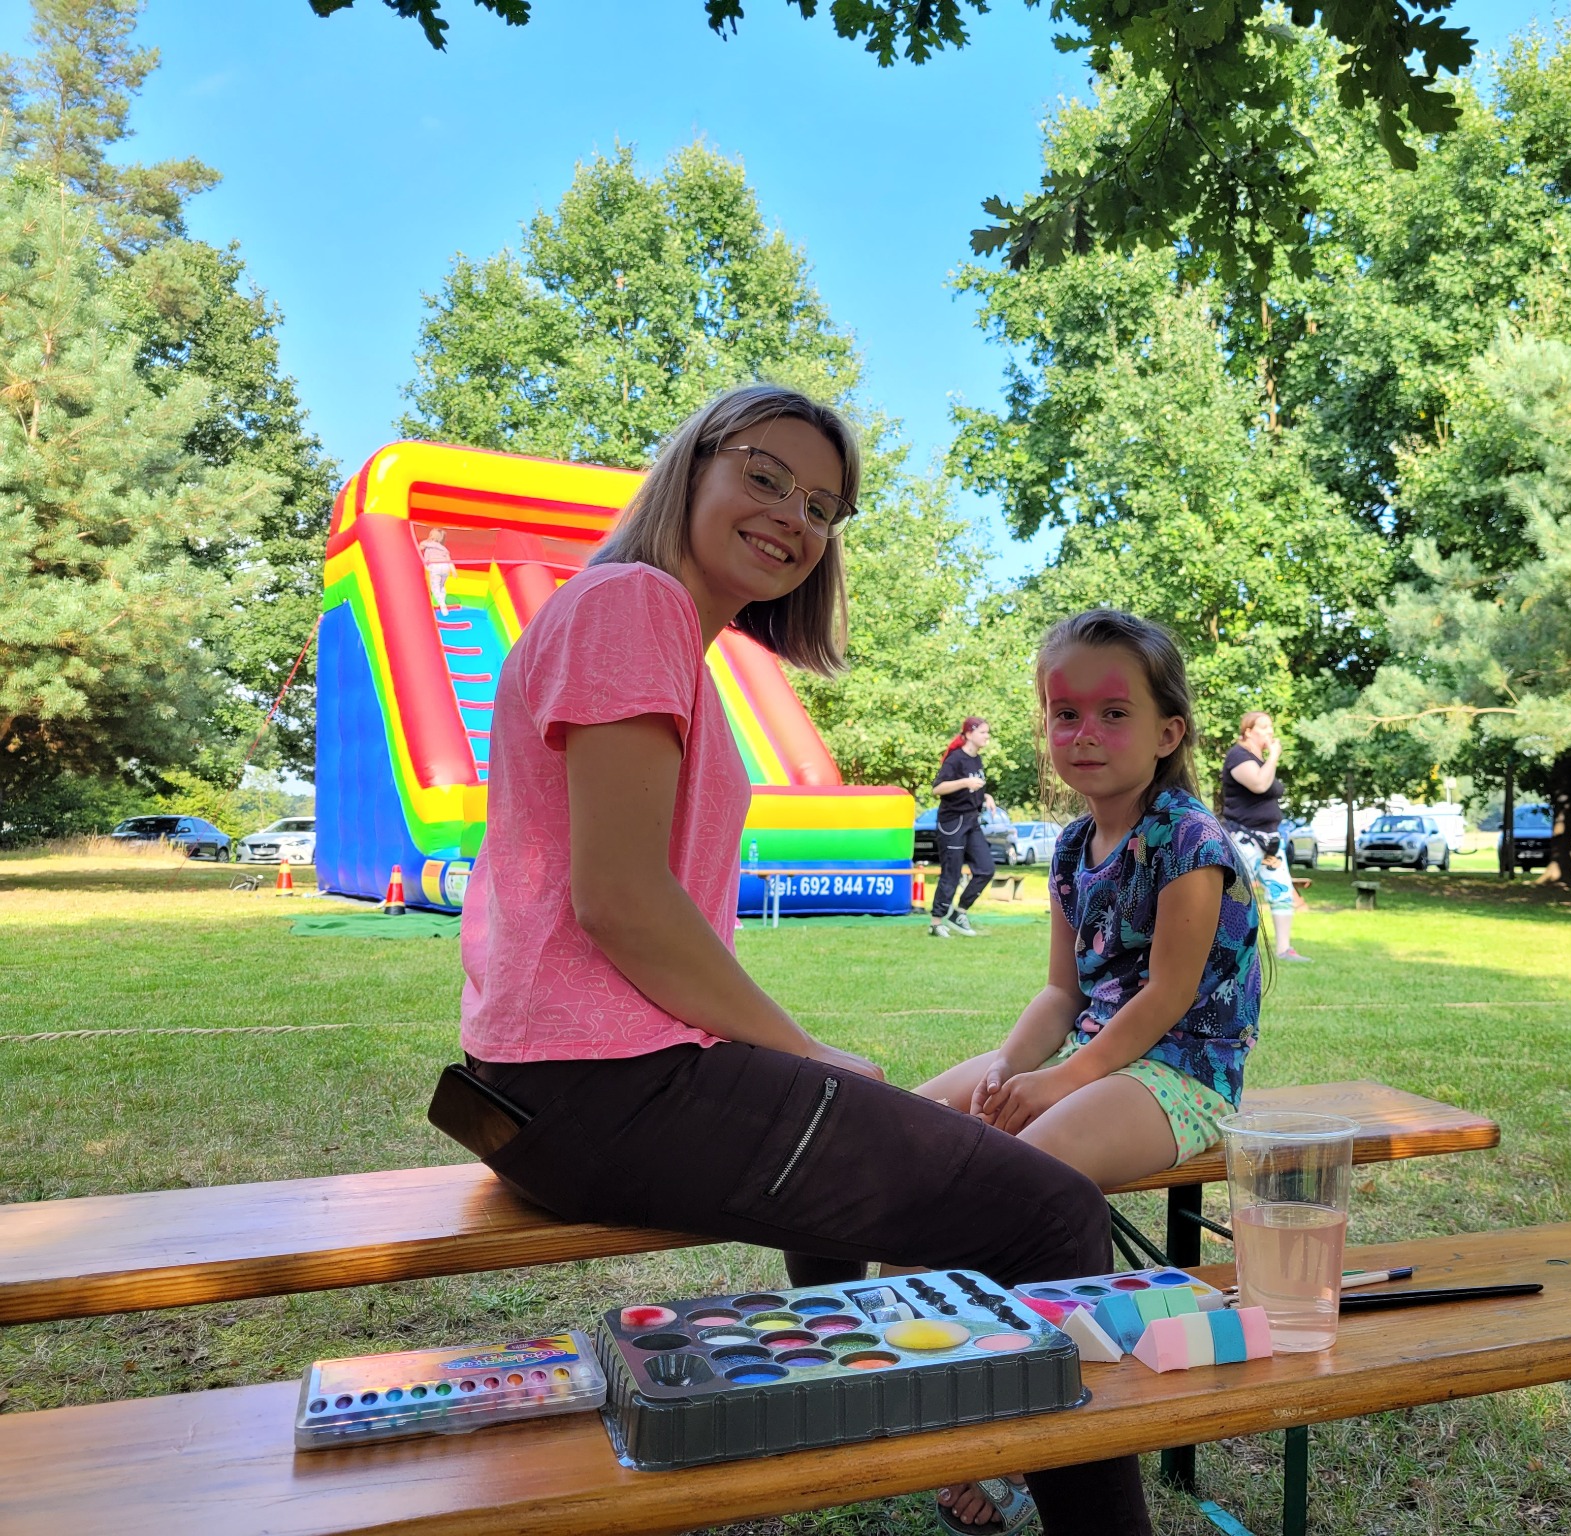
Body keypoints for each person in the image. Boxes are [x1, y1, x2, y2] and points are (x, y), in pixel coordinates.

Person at [452, 385, 1152, 1536]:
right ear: (692, 465)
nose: (793, 516)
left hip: (564, 1089)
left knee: (836, 1151)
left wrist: (801, 1069)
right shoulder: (629, 602)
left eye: (823, 505)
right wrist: (805, 1051)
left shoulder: (663, 628)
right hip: (603, 1087)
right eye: (764, 476)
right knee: (1048, 1214)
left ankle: (875, 1415)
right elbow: (621, 900)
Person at [918, 607, 1261, 1190]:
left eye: (1115, 714)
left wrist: (1064, 1079)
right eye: (1067, 714)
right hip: (1093, 1055)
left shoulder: (1189, 840)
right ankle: (868, 1286)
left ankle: (996, 1279)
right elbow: (1062, 991)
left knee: (990, 1181)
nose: (1086, 733)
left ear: (1168, 733)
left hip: (1182, 1074)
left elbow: (1168, 994)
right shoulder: (1073, 846)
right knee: (898, 1133)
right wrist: (1008, 1066)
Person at [1221, 709, 1307, 961]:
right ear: (1248, 731)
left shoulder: (1260, 760)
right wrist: (1275, 755)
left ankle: (1284, 949)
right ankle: (1230, 948)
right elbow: (1258, 784)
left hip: (1271, 840)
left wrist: (1269, 758)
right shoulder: (1238, 757)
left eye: (1271, 727)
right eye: (1264, 727)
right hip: (1245, 838)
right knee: (1237, 893)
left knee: (1281, 891)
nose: (1270, 732)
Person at [929, 716, 995, 938]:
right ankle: (936, 922)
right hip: (952, 823)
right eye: (983, 732)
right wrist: (965, 783)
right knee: (952, 873)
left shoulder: (977, 760)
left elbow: (973, 787)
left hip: (972, 821)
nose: (987, 736)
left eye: (988, 733)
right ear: (969, 734)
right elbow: (937, 789)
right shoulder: (956, 759)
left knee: (986, 869)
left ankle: (959, 913)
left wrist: (985, 796)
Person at [419, 526, 456, 615]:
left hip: (435, 566)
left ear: (431, 536)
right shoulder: (444, 549)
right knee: (441, 586)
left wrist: (426, 541)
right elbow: (449, 561)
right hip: (445, 567)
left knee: (435, 587)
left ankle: (442, 604)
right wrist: (454, 571)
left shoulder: (427, 543)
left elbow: (419, 547)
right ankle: (442, 600)